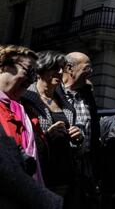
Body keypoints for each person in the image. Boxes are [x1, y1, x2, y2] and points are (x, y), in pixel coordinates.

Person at [0, 44, 63, 208]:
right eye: (27, 70)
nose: (31, 79)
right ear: (3, 67)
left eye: (34, 74)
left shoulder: (22, 109)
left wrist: (45, 137)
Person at [21, 51, 83, 208]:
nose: (61, 72)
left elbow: (75, 134)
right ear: (42, 69)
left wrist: (78, 136)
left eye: (62, 68)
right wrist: (46, 136)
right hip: (39, 173)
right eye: (56, 68)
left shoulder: (65, 101)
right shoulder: (25, 97)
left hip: (66, 174)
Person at [59, 52, 101, 208]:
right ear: (70, 68)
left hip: (85, 168)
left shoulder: (87, 95)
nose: (90, 73)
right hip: (62, 168)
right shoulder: (54, 93)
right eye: (87, 68)